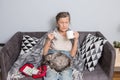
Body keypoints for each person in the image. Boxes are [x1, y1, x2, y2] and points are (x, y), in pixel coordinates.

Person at [43, 12, 79, 80]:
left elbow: (72, 55)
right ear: (57, 23)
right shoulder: (52, 33)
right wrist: (49, 40)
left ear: (69, 23)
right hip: (52, 63)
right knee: (51, 77)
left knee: (66, 78)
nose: (64, 25)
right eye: (61, 22)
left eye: (66, 22)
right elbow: (44, 53)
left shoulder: (72, 35)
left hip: (66, 63)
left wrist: (76, 39)